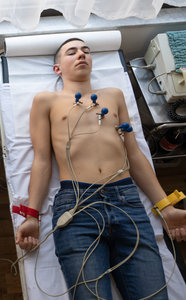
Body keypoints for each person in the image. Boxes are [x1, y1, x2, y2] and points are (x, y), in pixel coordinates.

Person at [15, 38, 186, 299]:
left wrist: (166, 206)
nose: (81, 54)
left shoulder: (114, 95)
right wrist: (31, 216)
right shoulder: (46, 101)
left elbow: (134, 155)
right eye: (71, 52)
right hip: (77, 206)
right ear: (57, 68)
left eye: (86, 51)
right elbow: (41, 160)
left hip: (126, 200)